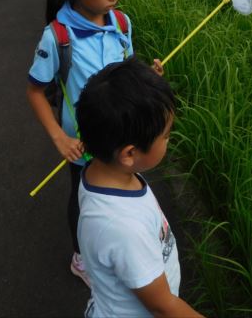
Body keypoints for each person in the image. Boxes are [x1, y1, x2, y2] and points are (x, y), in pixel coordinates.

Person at [26, 0, 163, 287]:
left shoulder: (121, 23)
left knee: (123, 187)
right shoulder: (57, 36)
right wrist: (59, 137)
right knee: (85, 198)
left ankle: (130, 247)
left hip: (122, 132)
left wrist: (146, 74)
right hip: (83, 142)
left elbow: (127, 68)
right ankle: (81, 258)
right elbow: (36, 91)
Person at [75, 58, 203, 317]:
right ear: (129, 153)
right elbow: (163, 306)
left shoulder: (104, 170)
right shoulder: (123, 227)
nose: (169, 139)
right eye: (165, 135)